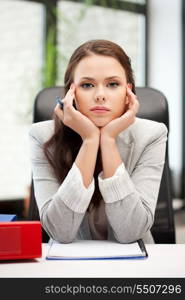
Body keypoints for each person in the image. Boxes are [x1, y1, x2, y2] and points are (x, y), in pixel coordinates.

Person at [29, 39, 167, 244]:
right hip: (66, 266)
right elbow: (60, 232)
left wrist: (108, 140)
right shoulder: (41, 136)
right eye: (87, 85)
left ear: (128, 92)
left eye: (113, 84)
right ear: (71, 93)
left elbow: (132, 232)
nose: (100, 95)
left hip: (135, 266)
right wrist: (90, 139)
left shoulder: (152, 134)